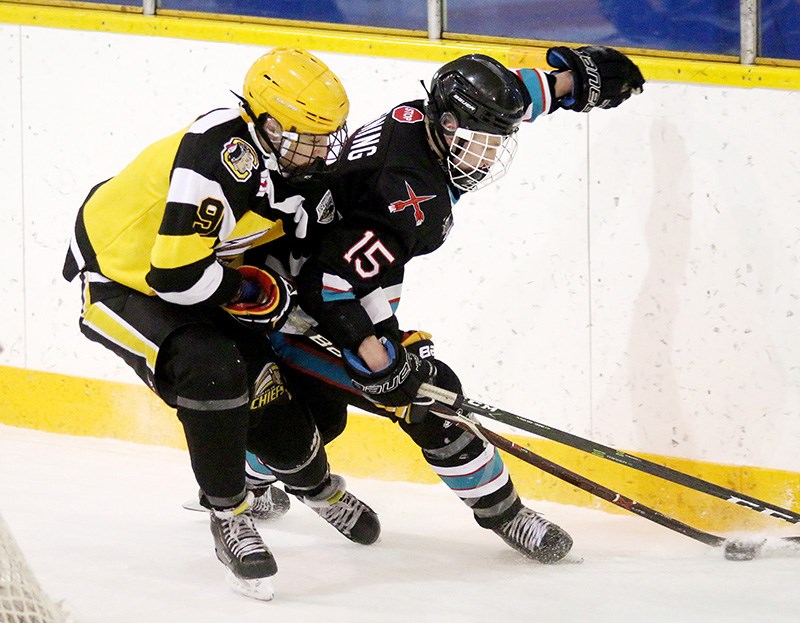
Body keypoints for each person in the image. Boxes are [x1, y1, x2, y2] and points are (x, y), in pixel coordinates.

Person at [263, 45, 645, 564]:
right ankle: (507, 516)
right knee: (430, 400)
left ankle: (253, 478)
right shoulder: (408, 196)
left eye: (495, 145)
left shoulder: (418, 119)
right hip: (299, 310)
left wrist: (566, 84)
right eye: (478, 145)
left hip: (332, 278)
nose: (486, 159)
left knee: (327, 416)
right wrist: (381, 356)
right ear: (446, 126)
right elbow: (329, 286)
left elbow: (496, 102)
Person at [61, 48, 381, 601]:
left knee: (289, 409)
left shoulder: (299, 165)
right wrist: (253, 292)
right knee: (214, 370)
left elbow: (305, 255)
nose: (321, 148)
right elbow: (175, 276)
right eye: (307, 135)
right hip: (123, 277)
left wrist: (365, 334)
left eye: (327, 135)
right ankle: (228, 513)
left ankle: (314, 486)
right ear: (267, 121)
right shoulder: (220, 152)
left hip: (207, 269)